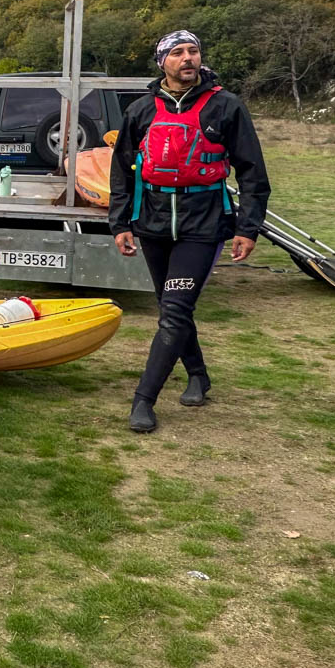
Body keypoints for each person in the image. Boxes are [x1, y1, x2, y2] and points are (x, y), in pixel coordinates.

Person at [109, 30, 270, 433]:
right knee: (172, 309)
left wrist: (248, 228)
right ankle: (198, 374)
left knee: (176, 309)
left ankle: (143, 400)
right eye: (177, 53)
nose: (187, 58)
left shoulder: (226, 107)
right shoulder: (141, 110)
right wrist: (121, 222)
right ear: (162, 62)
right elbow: (121, 170)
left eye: (193, 51)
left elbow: (253, 172)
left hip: (204, 223)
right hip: (154, 222)